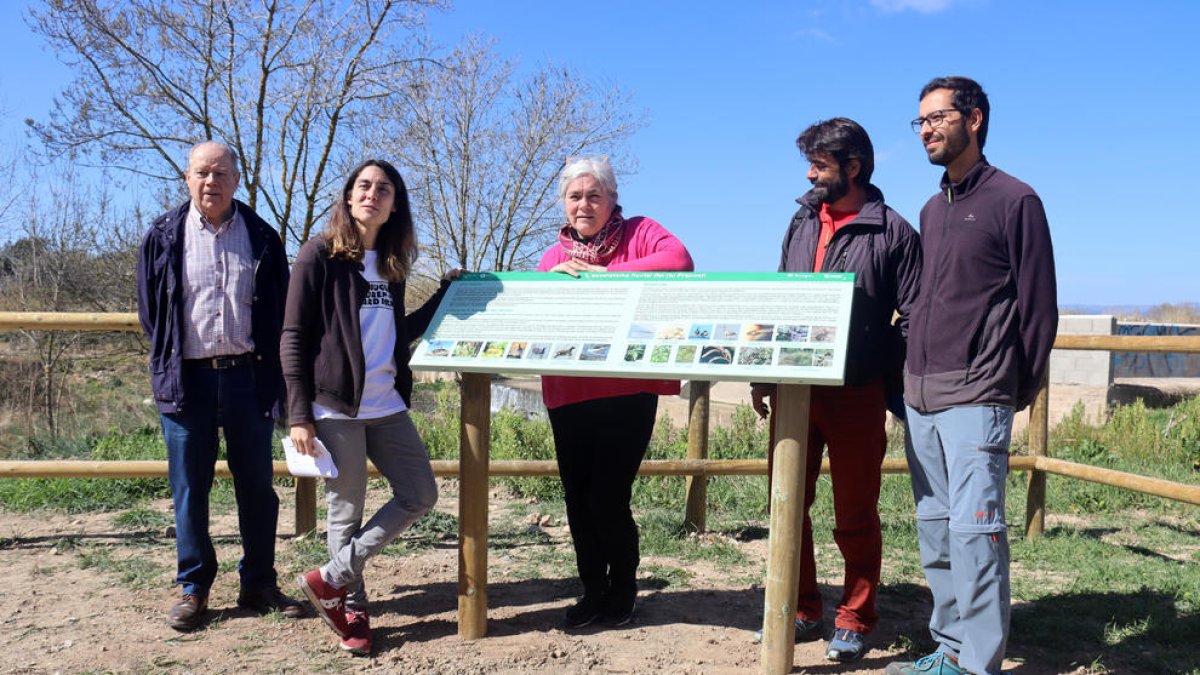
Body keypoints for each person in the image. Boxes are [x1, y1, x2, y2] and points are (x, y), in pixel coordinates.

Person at [887, 77, 1057, 675]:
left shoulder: (1016, 201)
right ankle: (950, 647)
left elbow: (1038, 310)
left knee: (976, 529)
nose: (927, 130)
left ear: (975, 119)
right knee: (935, 529)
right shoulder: (932, 210)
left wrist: (1013, 388)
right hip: (923, 395)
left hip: (979, 392)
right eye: (921, 122)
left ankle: (977, 662)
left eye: (937, 118)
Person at [750, 118, 921, 662]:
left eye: (820, 165)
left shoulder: (893, 232)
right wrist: (762, 374)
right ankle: (800, 609)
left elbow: (914, 316)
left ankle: (856, 615)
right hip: (796, 391)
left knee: (855, 512)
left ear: (853, 167)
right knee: (787, 504)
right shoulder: (800, 222)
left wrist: (880, 370)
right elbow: (778, 299)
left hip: (857, 393)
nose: (809, 173)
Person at [282, 159, 459, 655]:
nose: (371, 194)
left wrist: (446, 293)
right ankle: (350, 607)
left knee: (420, 492)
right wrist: (299, 413)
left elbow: (398, 332)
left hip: (386, 405)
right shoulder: (319, 253)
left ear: (394, 203)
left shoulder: (391, 260)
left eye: (383, 188)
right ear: (348, 195)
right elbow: (293, 335)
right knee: (346, 511)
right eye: (363, 186)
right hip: (334, 406)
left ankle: (331, 578)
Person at [136, 141, 303, 631]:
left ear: (237, 179)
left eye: (221, 173)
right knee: (190, 488)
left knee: (258, 487)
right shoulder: (163, 236)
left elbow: (278, 310)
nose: (212, 182)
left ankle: (258, 582)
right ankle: (194, 587)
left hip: (249, 379)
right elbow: (153, 314)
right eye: (202, 173)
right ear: (187, 178)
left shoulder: (263, 237)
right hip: (186, 382)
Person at [538, 156, 694, 629]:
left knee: (608, 496)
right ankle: (593, 591)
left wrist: (606, 276)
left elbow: (680, 260)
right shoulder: (551, 258)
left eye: (593, 195)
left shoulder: (641, 233)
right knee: (577, 499)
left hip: (628, 392)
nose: (584, 204)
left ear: (611, 200)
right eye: (575, 196)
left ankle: (623, 589)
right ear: (564, 204)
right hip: (568, 392)